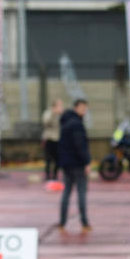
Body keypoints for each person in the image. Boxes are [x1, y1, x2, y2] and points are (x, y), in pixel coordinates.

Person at [57, 99, 92, 233]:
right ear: (76, 108)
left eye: (86, 109)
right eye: (83, 108)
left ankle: (62, 222)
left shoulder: (65, 122)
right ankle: (85, 222)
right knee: (81, 194)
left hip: (66, 164)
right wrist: (86, 162)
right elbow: (80, 145)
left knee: (66, 193)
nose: (85, 111)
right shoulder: (77, 124)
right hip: (77, 164)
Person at [42, 98, 63, 181]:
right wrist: (53, 113)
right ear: (54, 106)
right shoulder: (48, 113)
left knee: (58, 159)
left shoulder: (62, 115)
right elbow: (46, 122)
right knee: (48, 159)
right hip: (49, 138)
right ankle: (47, 175)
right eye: (59, 105)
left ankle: (55, 175)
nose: (61, 107)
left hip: (58, 139)